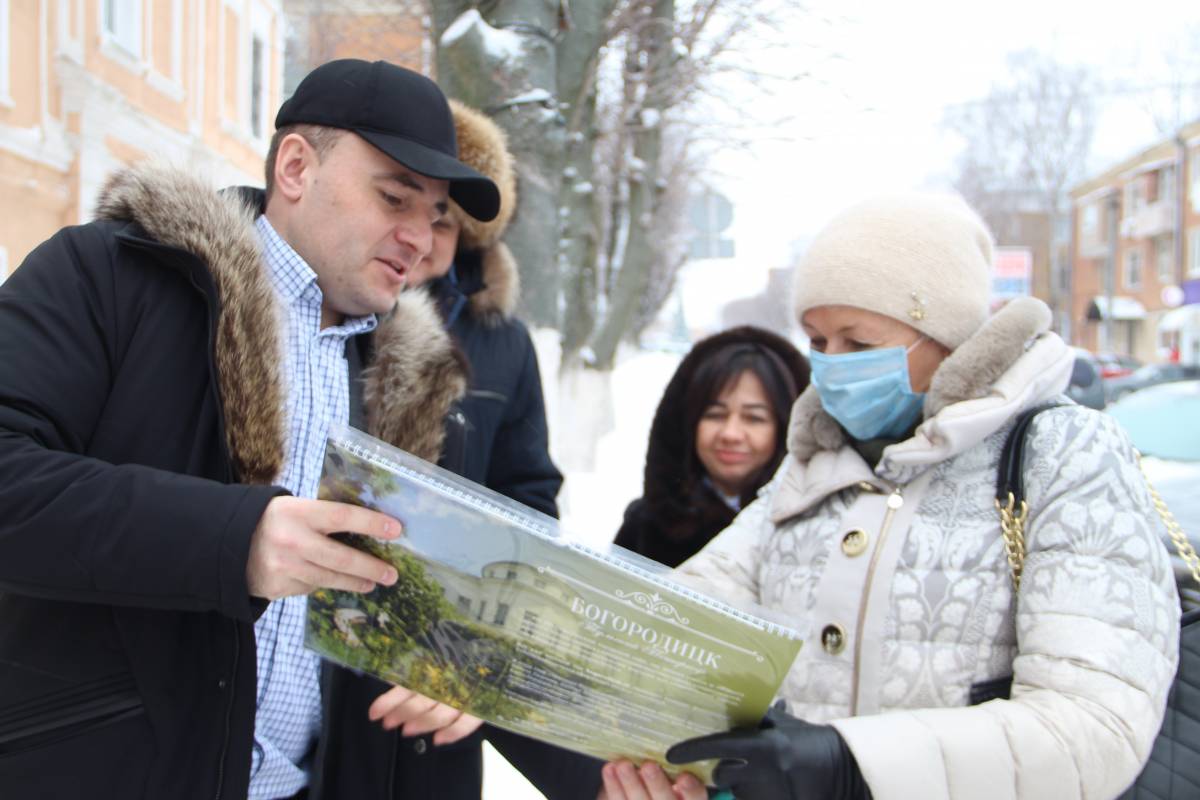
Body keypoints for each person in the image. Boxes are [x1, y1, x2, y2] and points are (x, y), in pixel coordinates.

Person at [0, 59, 501, 799]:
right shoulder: (110, 274)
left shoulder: (422, 384)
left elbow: (434, 605)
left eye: (433, 216)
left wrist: (453, 668)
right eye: (394, 196)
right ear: (296, 166)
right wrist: (232, 542)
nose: (419, 239)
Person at [599, 193, 1180, 800]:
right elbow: (685, 625)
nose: (831, 368)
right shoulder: (814, 463)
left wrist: (852, 764)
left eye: (857, 342)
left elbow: (1093, 729)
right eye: (818, 343)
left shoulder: (1063, 452)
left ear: (949, 338)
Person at [317, 99, 578, 800]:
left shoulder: (502, 342)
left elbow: (528, 498)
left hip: (427, 662)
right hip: (311, 630)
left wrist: (470, 646)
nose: (424, 235)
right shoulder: (334, 309)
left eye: (445, 220)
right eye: (409, 206)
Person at [614, 326, 809, 567]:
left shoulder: (808, 535)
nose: (730, 434)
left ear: (785, 428)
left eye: (754, 418)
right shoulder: (645, 526)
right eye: (715, 415)